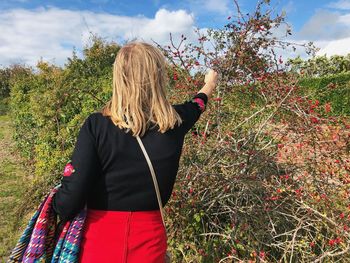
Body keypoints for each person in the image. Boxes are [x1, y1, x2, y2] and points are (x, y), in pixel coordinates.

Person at [52, 41, 218, 263]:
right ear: (159, 78)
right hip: (151, 245)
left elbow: (69, 202)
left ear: (119, 78)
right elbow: (197, 104)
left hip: (97, 245)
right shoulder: (176, 121)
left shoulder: (96, 126)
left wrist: (54, 203)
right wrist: (209, 84)